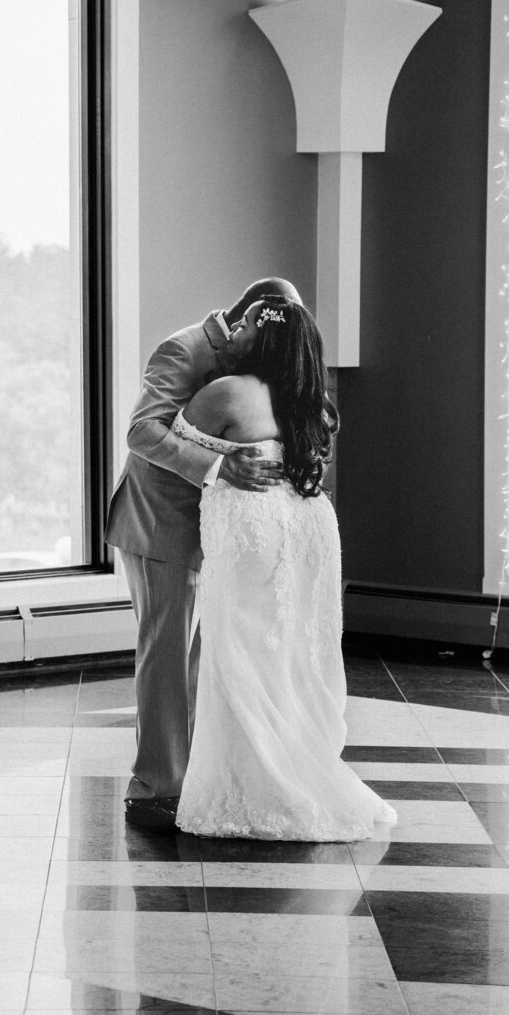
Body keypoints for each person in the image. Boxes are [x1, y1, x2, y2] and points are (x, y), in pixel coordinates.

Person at [174, 295, 397, 839]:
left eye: (247, 324)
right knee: (291, 651)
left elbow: (167, 439)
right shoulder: (311, 401)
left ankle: (257, 788)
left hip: (253, 531)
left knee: (237, 652)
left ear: (265, 337)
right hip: (309, 524)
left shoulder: (226, 392)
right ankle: (297, 763)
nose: (234, 330)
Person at [105, 277, 300, 833]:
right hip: (159, 524)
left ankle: (192, 775)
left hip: (210, 528)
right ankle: (154, 787)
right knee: (165, 657)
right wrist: (219, 467)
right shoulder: (182, 349)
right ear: (245, 320)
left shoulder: (252, 368)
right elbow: (141, 432)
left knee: (198, 658)